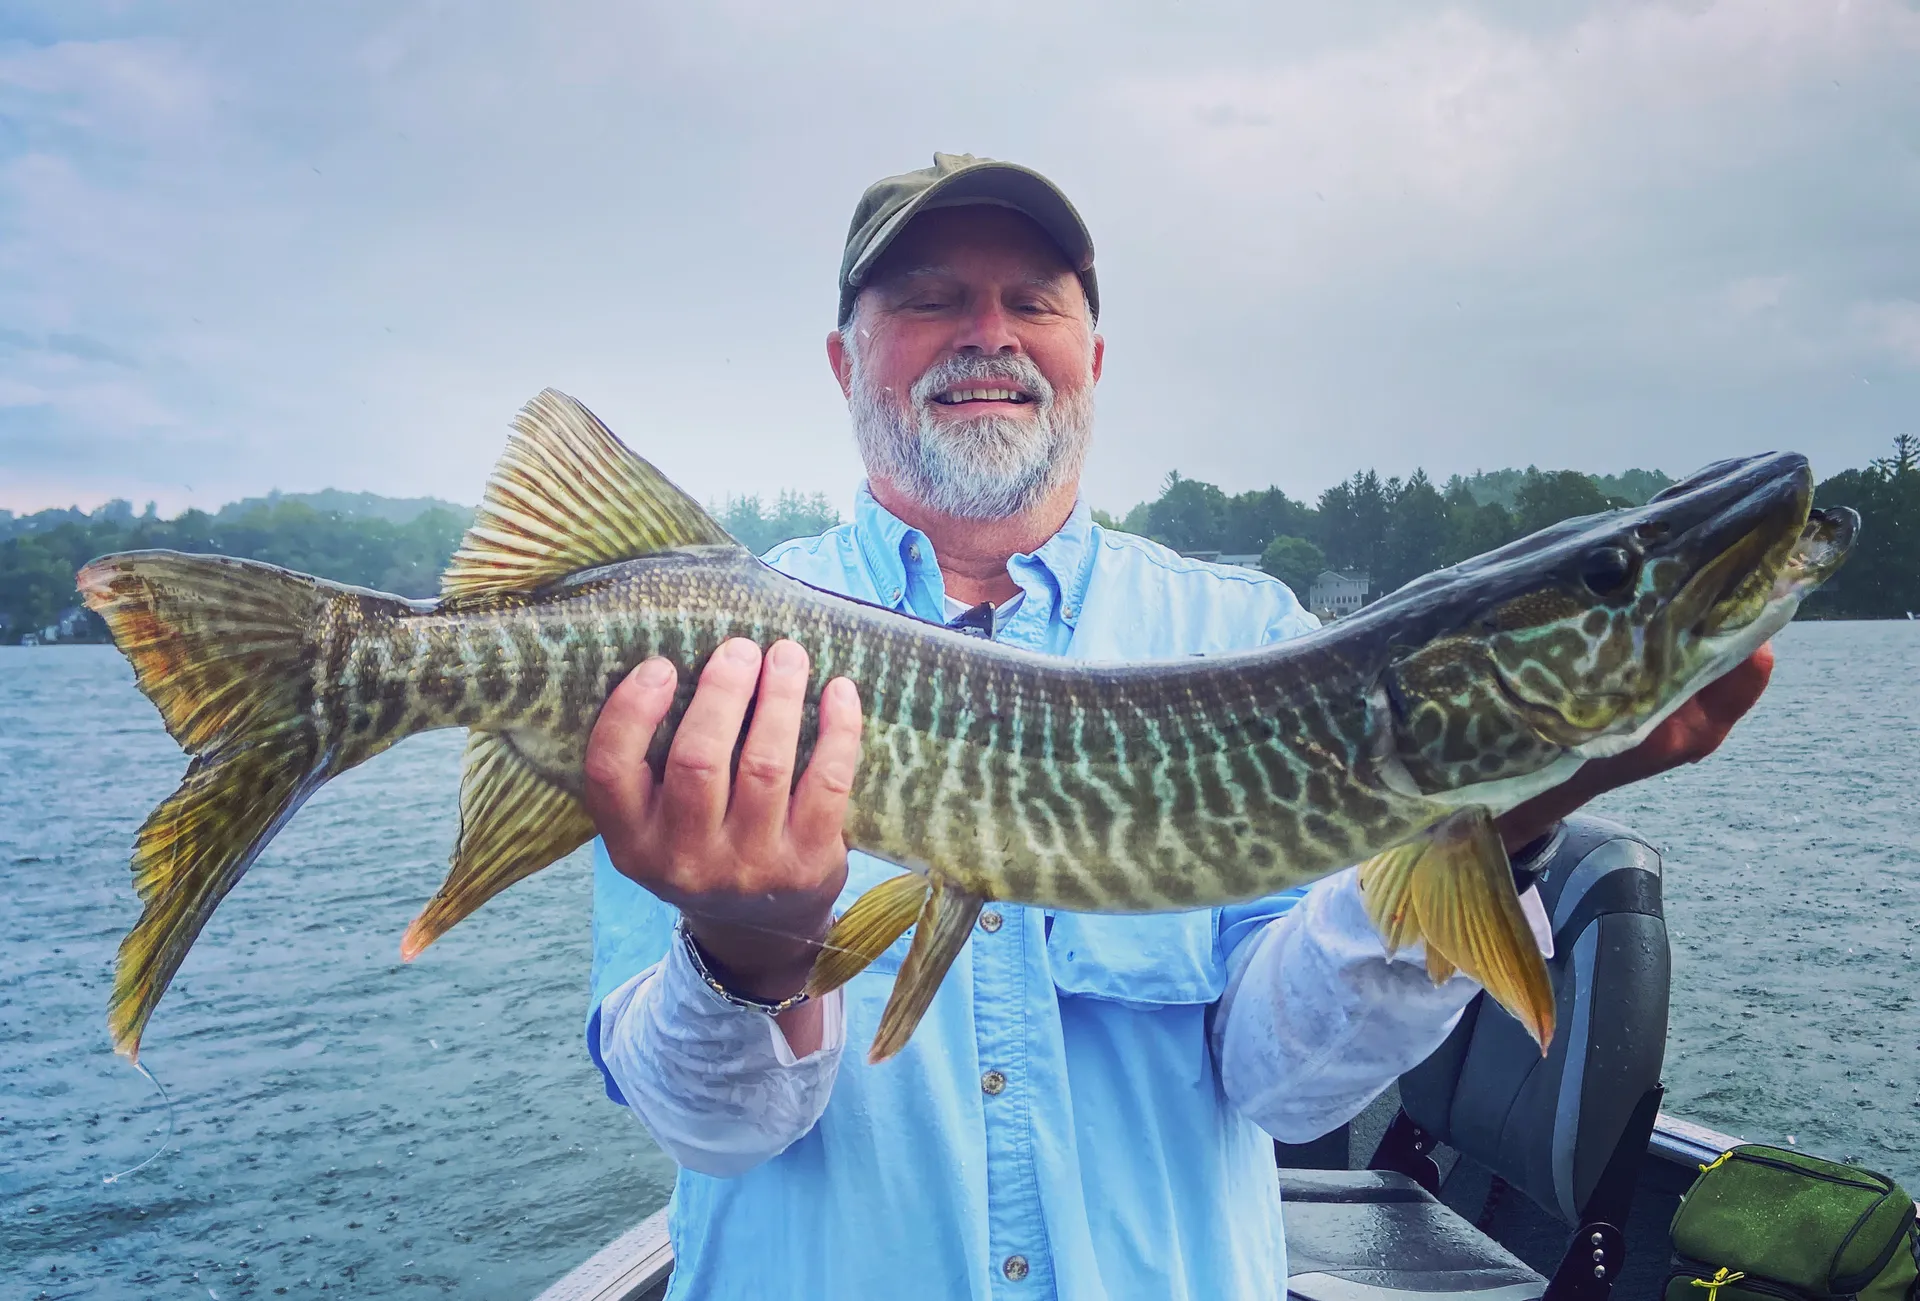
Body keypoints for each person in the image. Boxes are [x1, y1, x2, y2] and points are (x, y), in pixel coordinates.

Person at [579, 152, 1771, 1299]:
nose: (986, 333)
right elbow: (707, 1129)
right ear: (846, 362)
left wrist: (1505, 820)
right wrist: (748, 956)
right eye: (932, 300)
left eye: (1031, 302)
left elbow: (1288, 1085)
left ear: (1089, 355)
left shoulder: (1253, 634)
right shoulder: (713, 650)